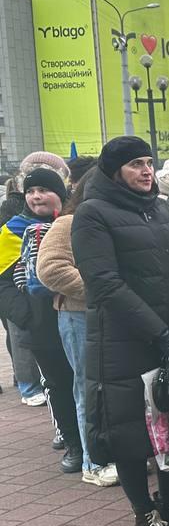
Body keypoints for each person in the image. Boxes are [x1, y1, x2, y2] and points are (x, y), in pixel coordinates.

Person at [72, 137, 169, 526]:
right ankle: (143, 515)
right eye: (136, 164)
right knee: (131, 432)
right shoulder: (92, 214)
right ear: (114, 170)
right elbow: (105, 284)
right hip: (122, 341)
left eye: (149, 163)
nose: (147, 171)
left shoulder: (160, 208)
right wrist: (159, 332)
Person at [0, 167, 87, 473]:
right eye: (30, 191)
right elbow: (3, 281)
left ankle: (95, 444)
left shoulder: (75, 223)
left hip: (78, 316)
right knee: (60, 383)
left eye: (43, 190)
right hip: (42, 324)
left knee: (87, 382)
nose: (36, 196)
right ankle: (75, 445)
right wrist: (26, 315)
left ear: (60, 194)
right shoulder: (12, 230)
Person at [35, 175, 118, 486]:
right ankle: (93, 462)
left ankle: (113, 455)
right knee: (89, 389)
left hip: (116, 317)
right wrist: (106, 289)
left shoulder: (116, 219)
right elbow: (51, 269)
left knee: (113, 389)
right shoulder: (68, 223)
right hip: (79, 315)